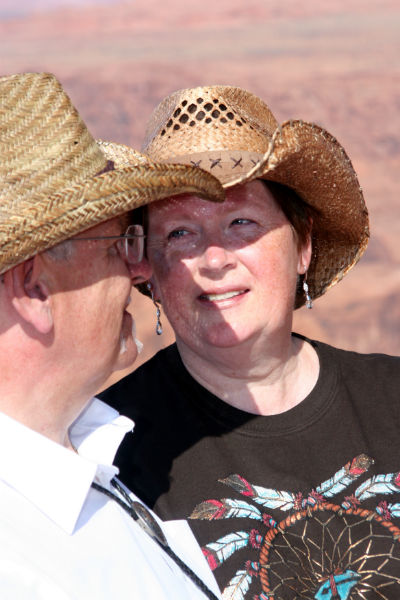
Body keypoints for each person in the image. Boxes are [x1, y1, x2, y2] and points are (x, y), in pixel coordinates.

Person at [101, 85, 400, 600]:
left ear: (303, 245)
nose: (215, 259)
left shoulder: (391, 397)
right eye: (180, 233)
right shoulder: (107, 453)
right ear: (149, 269)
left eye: (241, 223)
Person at [0, 73, 224, 600]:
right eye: (117, 243)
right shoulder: (16, 564)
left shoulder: (81, 464)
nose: (141, 270)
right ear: (34, 290)